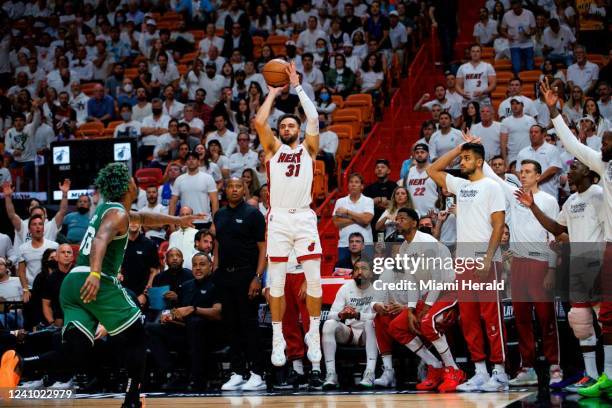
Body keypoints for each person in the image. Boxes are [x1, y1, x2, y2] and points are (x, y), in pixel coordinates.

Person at [0, 163, 202, 407]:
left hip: (72, 283)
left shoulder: (109, 210)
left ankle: (21, 363)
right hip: (95, 280)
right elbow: (100, 239)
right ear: (127, 186)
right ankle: (132, 400)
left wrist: (178, 219)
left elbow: (144, 218)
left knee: (78, 348)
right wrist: (96, 274)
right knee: (138, 330)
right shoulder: (116, 215)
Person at [253, 61, 324, 387]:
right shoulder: (273, 150)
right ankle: (279, 337)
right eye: (283, 126)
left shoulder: (309, 149)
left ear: (298, 129)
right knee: (277, 286)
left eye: (291, 125)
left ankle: (312, 333)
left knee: (313, 283)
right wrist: (271, 92)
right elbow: (258, 121)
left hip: (305, 216)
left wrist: (296, 86)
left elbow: (314, 117)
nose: (287, 128)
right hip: (279, 217)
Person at [540, 78, 612, 398]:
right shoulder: (604, 167)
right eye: (604, 142)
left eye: (607, 141)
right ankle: (606, 375)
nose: (604, 144)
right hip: (608, 247)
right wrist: (554, 110)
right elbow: (571, 144)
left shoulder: (598, 184)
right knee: (604, 315)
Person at [479, 133, 562, 386]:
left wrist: (550, 270)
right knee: (522, 318)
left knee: (546, 317)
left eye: (528, 171)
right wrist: (478, 148)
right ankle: (528, 367)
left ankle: (554, 364)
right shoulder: (514, 197)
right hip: (518, 265)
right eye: (521, 171)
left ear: (538, 176)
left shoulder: (548, 201)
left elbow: (554, 236)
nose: (523, 174)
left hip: (541, 264)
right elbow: (492, 176)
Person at [515, 159, 603, 393]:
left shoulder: (600, 193)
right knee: (581, 322)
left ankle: (607, 374)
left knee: (606, 321)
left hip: (599, 264)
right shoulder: (571, 201)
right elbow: (558, 230)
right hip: (576, 267)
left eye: (575, 167)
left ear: (589, 172)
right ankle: (591, 376)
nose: (568, 172)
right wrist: (533, 207)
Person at [427, 140, 508, 392]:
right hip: (462, 259)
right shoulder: (461, 186)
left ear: (479, 161)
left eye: (466, 158)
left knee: (490, 316)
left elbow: (498, 225)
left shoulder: (492, 186)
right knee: (469, 318)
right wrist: (458, 148)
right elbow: (433, 170)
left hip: (484, 257)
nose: (461, 163)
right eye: (461, 159)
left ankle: (500, 372)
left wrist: (487, 258)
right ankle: (480, 371)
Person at [373, 208, 466, 391]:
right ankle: (435, 366)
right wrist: (409, 309)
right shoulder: (404, 249)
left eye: (403, 219)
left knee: (427, 321)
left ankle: (454, 370)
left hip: (448, 291)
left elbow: (438, 278)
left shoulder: (427, 242)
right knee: (396, 327)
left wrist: (426, 307)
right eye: (397, 219)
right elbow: (412, 281)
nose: (398, 221)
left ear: (414, 223)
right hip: (429, 294)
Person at [214, 178, 267, 391]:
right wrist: (216, 270)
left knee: (249, 326)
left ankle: (257, 373)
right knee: (231, 326)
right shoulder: (219, 215)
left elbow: (263, 247)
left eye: (238, 187)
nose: (234, 190)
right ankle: (237, 372)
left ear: (244, 190)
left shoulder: (253, 214)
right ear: (225, 190)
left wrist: (257, 276)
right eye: (230, 187)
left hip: (247, 276)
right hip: (225, 276)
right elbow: (217, 245)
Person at [146, 252, 221, 391]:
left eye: (202, 264)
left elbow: (218, 313)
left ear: (211, 266)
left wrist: (194, 309)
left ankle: (198, 377)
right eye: (195, 265)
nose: (198, 268)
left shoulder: (217, 284)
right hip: (186, 332)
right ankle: (173, 372)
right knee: (150, 327)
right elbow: (180, 311)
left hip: (210, 334)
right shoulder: (186, 286)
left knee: (195, 322)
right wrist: (169, 316)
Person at [322, 258, 378, 389]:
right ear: (352, 274)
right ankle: (331, 374)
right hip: (350, 332)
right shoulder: (345, 288)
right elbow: (331, 314)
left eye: (364, 269)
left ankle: (369, 373)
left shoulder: (377, 288)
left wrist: (358, 315)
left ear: (371, 273)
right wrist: (342, 314)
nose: (359, 272)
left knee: (371, 323)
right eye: (356, 269)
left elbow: (380, 316)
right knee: (329, 324)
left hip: (368, 333)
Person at [169, 151, 218, 230]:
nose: (191, 161)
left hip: (204, 222)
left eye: (194, 159)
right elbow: (173, 203)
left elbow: (215, 202)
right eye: (188, 159)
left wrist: (214, 223)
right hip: (185, 222)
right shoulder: (179, 179)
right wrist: (171, 224)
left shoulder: (208, 178)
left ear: (198, 162)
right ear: (185, 163)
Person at [515, 124, 562, 200]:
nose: (533, 134)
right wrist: (529, 183)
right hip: (528, 195)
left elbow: (553, 170)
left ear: (543, 134)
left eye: (536, 132)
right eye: (531, 132)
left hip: (548, 193)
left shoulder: (552, 149)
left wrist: (534, 182)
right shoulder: (523, 152)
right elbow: (518, 172)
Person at [334, 173, 375, 260]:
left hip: (365, 245)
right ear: (348, 185)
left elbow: (366, 220)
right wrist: (359, 218)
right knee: (345, 273)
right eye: (351, 182)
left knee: (365, 273)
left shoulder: (368, 201)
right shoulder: (340, 202)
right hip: (344, 244)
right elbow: (337, 223)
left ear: (362, 186)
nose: (353, 184)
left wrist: (347, 212)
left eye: (356, 182)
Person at [400, 143, 438, 216]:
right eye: (417, 152)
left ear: (428, 154)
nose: (419, 154)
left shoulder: (434, 169)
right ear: (414, 154)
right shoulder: (409, 172)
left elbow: (441, 193)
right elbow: (405, 192)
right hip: (413, 214)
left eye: (422, 152)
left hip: (432, 214)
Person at [41, 244, 73, 327]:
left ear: (72, 257)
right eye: (63, 252)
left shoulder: (78, 274)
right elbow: (46, 304)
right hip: (59, 320)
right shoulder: (51, 278)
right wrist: (52, 323)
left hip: (79, 317)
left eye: (69, 252)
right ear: (56, 258)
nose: (66, 254)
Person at [364, 159, 399, 232]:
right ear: (375, 171)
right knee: (378, 243)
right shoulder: (369, 188)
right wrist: (379, 199)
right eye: (377, 167)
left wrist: (379, 203)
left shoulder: (394, 186)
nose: (379, 169)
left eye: (383, 167)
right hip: (373, 224)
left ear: (388, 171)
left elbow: (398, 204)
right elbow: (364, 204)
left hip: (390, 224)